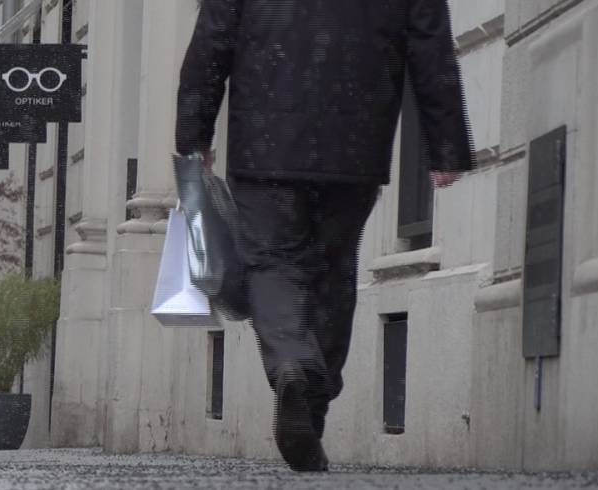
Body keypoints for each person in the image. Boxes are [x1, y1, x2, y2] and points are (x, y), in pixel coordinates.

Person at [175, 0, 474, 472]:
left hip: (264, 142)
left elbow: (212, 41)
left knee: (272, 263)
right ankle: (311, 409)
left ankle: (293, 363)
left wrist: (193, 137)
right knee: (333, 270)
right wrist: (446, 146)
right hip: (356, 145)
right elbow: (430, 45)